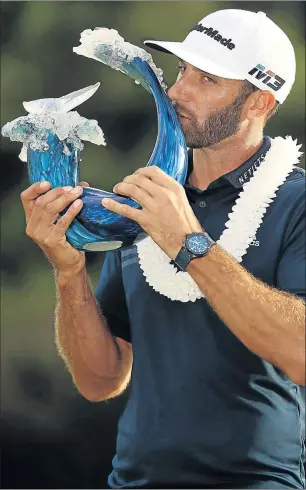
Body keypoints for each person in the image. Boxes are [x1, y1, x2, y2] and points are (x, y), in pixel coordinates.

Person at [20, 8, 305, 490]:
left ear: (259, 102)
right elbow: (101, 381)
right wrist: (69, 272)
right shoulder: (141, 202)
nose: (176, 93)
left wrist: (188, 243)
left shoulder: (296, 202)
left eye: (207, 79)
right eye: (181, 71)